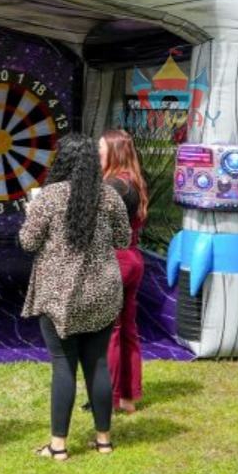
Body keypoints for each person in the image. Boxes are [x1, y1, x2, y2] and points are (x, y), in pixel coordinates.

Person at [19, 133, 131, 461]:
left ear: (62, 161)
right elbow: (124, 240)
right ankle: (104, 441)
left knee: (63, 365)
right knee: (98, 364)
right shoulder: (109, 196)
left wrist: (31, 212)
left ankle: (58, 446)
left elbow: (27, 242)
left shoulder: (49, 197)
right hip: (103, 292)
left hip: (59, 296)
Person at [99, 129, 149, 414]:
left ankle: (110, 394)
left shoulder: (113, 186)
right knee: (128, 329)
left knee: (111, 331)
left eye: (102, 149)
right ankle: (129, 396)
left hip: (115, 260)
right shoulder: (134, 182)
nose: (98, 154)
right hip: (132, 259)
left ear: (114, 153)